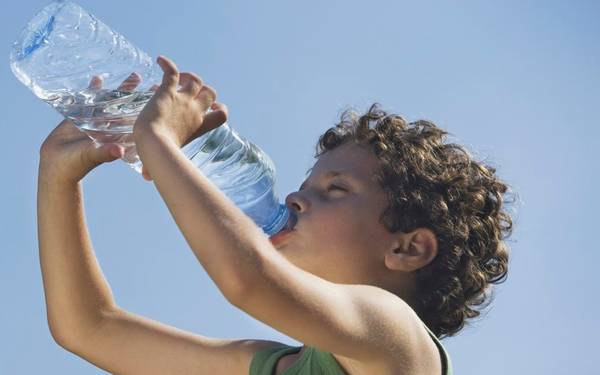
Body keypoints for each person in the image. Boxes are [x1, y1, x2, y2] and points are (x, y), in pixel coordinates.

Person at [37, 55, 513, 374]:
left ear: (406, 247)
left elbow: (247, 281)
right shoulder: (274, 366)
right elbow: (88, 328)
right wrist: (58, 178)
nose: (294, 200)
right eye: (305, 188)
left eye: (336, 189)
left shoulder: (395, 339)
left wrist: (159, 140)